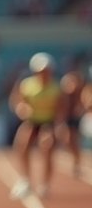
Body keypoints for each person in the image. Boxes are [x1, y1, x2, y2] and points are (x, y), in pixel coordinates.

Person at [8, 52, 61, 199]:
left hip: (48, 122)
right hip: (31, 121)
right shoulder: (27, 85)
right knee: (22, 144)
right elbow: (17, 101)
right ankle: (25, 180)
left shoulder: (56, 88)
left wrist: (58, 125)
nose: (43, 73)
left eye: (45, 70)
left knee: (47, 147)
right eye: (40, 71)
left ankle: (45, 183)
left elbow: (61, 109)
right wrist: (22, 108)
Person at [58, 66, 88, 179]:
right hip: (67, 119)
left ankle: (77, 163)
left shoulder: (80, 92)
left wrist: (81, 109)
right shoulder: (64, 94)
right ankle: (76, 160)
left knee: (73, 140)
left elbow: (84, 103)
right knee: (67, 141)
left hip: (76, 119)